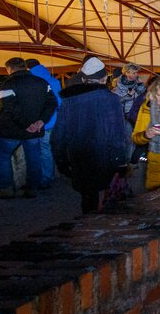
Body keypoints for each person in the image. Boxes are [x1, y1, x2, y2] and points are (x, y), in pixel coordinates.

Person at [52, 57, 131, 213]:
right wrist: (120, 161)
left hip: (79, 156)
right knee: (111, 195)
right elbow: (117, 134)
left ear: (83, 79)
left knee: (88, 197)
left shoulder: (69, 101)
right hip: (104, 156)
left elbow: (58, 135)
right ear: (103, 78)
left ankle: (89, 225)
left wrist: (61, 161)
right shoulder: (112, 100)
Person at [0, 57, 57, 199]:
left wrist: (27, 124)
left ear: (10, 69)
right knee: (34, 157)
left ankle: (6, 188)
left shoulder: (7, 85)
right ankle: (33, 187)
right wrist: (40, 122)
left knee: (1, 156)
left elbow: (10, 108)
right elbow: (52, 103)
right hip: (34, 131)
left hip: (11, 130)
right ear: (25, 67)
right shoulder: (42, 83)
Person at [25, 59, 61, 187]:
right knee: (46, 150)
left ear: (27, 69)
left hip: (35, 122)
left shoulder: (29, 81)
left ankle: (40, 178)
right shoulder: (54, 81)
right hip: (51, 121)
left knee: (36, 151)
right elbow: (59, 103)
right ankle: (47, 176)